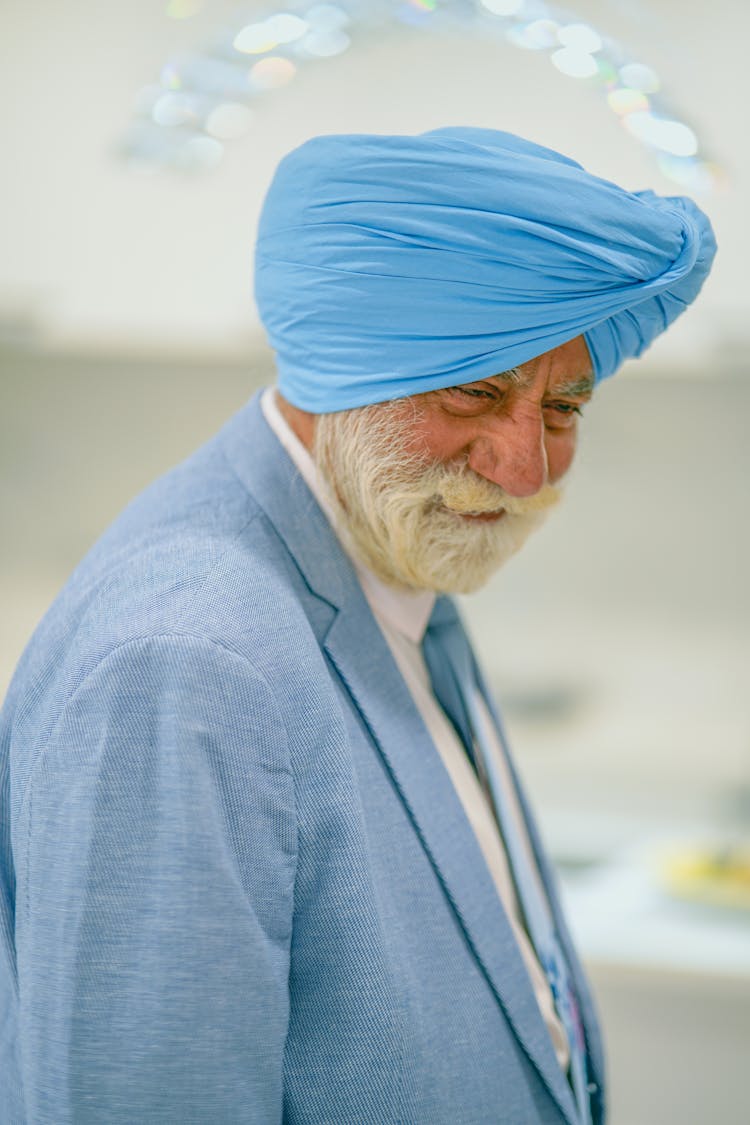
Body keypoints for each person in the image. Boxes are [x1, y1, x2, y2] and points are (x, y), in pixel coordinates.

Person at [0, 128, 715, 1124]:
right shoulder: (190, 659)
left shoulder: (395, 555)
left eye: (565, 408)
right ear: (348, 359)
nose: (528, 470)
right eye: (475, 387)